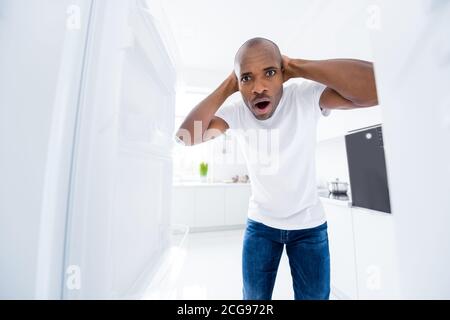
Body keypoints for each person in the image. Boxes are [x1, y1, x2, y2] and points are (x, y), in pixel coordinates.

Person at [176, 37, 378, 300]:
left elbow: (376, 88)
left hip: (309, 227)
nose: (259, 87)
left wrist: (298, 66)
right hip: (261, 227)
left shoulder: (305, 97)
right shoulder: (237, 112)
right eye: (247, 78)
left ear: (283, 74)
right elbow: (186, 137)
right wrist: (229, 85)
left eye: (269, 73)